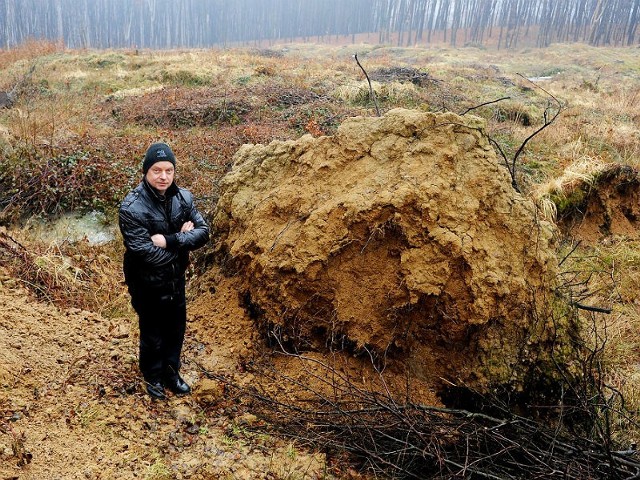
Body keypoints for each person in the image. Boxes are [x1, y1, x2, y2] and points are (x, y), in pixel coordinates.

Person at [119, 142, 209, 399]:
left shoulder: (184, 198)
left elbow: (203, 233)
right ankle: (153, 377)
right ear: (146, 171)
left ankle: (172, 374)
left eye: (168, 170)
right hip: (146, 281)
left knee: (176, 329)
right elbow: (146, 254)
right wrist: (182, 242)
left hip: (175, 278)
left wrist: (170, 240)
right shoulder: (131, 208)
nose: (163, 176)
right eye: (157, 170)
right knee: (153, 333)